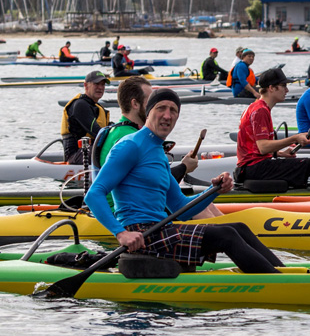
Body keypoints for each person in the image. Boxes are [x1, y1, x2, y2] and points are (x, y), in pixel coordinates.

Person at [86, 89, 284, 274]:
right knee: (227, 235)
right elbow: (94, 194)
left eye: (173, 111)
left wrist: (214, 190)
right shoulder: (130, 146)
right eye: (161, 108)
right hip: (140, 234)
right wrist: (121, 234)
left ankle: (284, 273)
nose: (167, 115)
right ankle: (279, 284)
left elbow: (181, 206)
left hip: (159, 228)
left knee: (239, 227)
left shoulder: (159, 154)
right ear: (148, 112)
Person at [92, 79, 213, 218]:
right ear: (135, 104)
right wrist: (184, 167)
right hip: (123, 213)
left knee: (206, 204)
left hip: (136, 205)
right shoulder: (129, 138)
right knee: (203, 210)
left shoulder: (119, 130)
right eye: (151, 101)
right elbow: (150, 180)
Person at [62, 70, 111, 164]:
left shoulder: (97, 107)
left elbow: (109, 129)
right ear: (86, 85)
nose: (100, 88)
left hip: (89, 151)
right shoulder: (80, 105)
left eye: (103, 84)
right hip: (75, 156)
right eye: (96, 84)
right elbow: (98, 133)